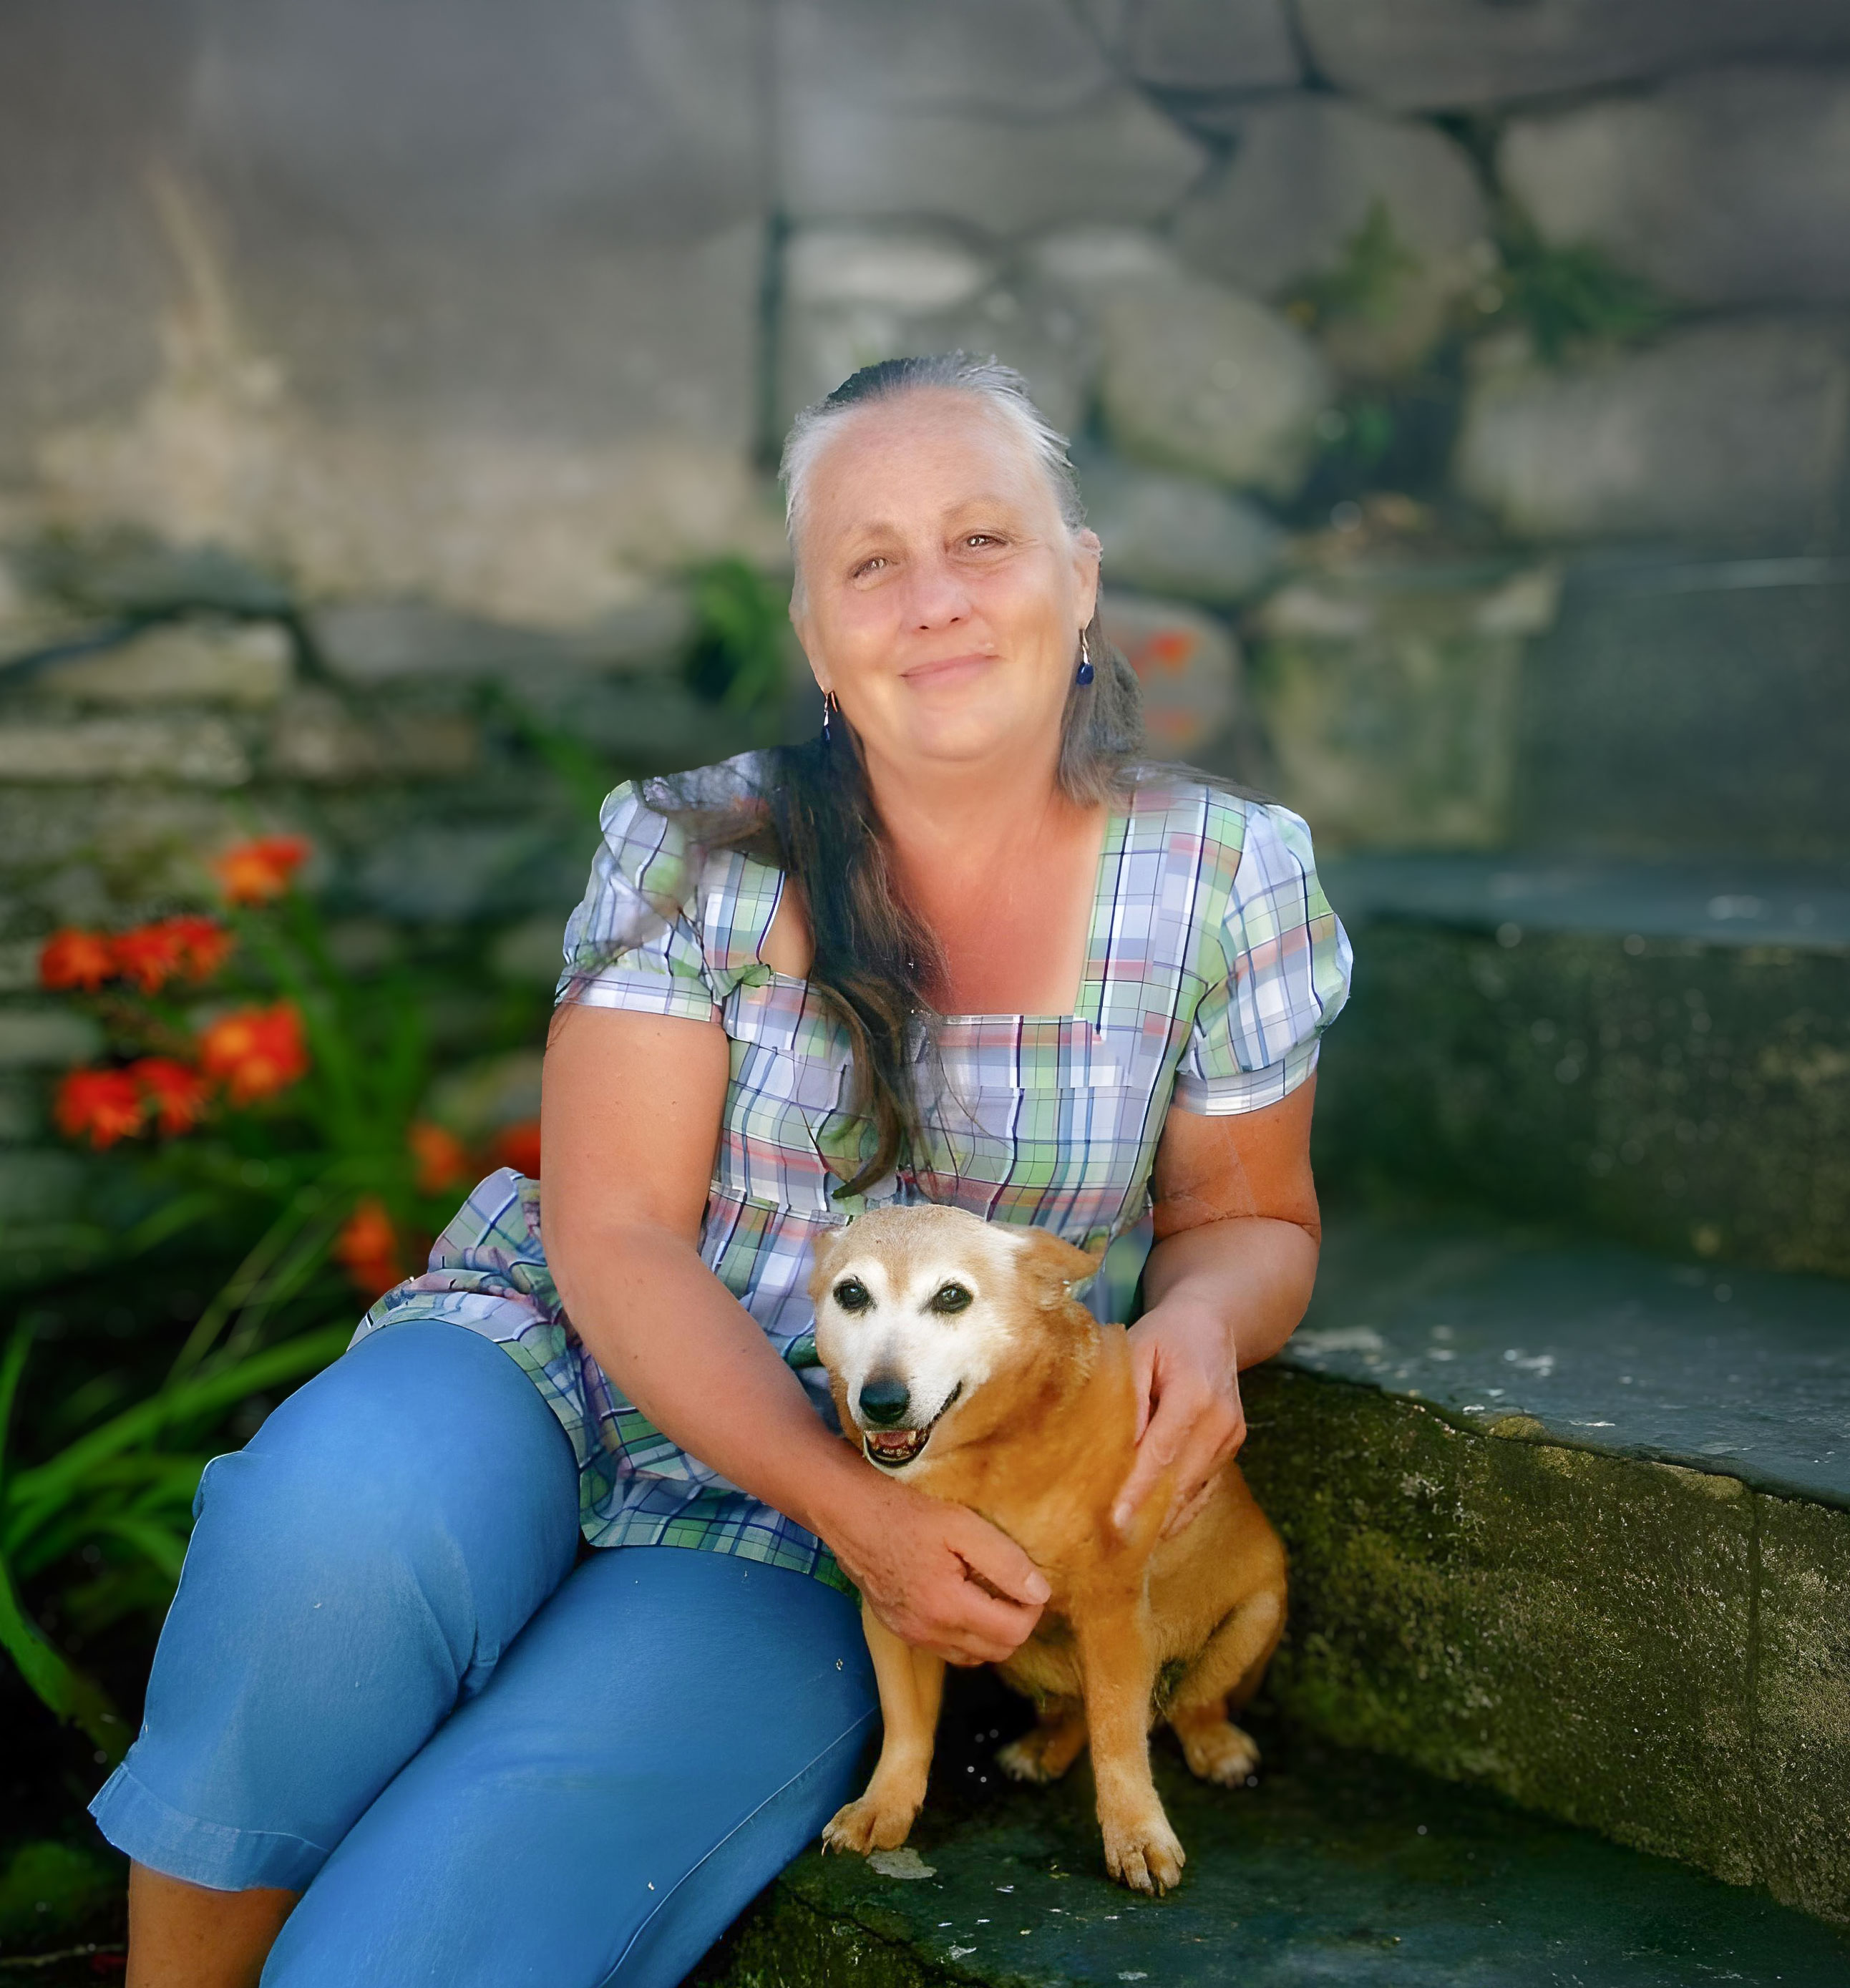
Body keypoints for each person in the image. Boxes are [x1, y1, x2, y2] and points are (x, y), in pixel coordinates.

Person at [92, 354, 1351, 1987]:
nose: (936, 602)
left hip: (871, 1509)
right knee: (323, 1538)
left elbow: (1246, 1218)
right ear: (819, 637)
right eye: (871, 562)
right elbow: (613, 1231)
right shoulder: (692, 847)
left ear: (1081, 578)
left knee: (449, 1918)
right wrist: (851, 1496)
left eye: (984, 541)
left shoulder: (1227, 874)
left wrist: (1199, 1331)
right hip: (564, 1366)